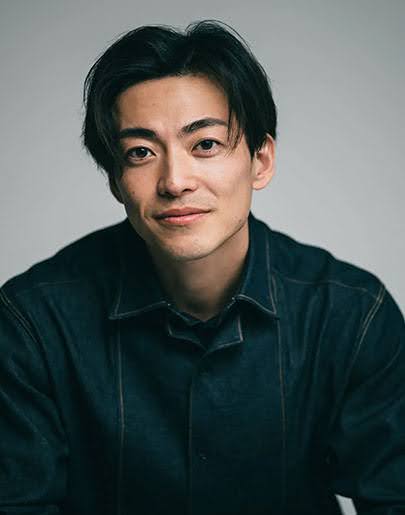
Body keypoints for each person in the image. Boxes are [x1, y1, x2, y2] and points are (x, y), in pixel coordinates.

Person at [0, 19, 404, 515]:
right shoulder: (34, 322)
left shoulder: (350, 314)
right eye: (141, 152)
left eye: (205, 144)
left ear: (261, 160)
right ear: (115, 181)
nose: (175, 181)